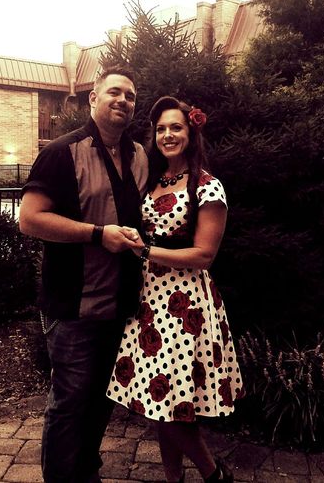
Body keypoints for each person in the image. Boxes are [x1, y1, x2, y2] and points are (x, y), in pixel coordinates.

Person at [19, 66, 148, 483]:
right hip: (73, 305)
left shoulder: (139, 155)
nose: (123, 100)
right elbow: (30, 220)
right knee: (70, 402)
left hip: (121, 304)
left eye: (130, 96)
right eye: (114, 92)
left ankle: (86, 472)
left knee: (102, 399)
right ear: (93, 98)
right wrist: (97, 234)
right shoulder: (61, 152)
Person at [107, 96, 243, 482]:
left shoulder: (208, 187)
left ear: (191, 132)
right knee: (160, 402)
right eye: (161, 129)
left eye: (176, 128)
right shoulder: (151, 180)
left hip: (185, 306)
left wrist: (146, 251)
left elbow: (204, 255)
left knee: (170, 403)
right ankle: (174, 479)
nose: (168, 135)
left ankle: (214, 475)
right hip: (149, 300)